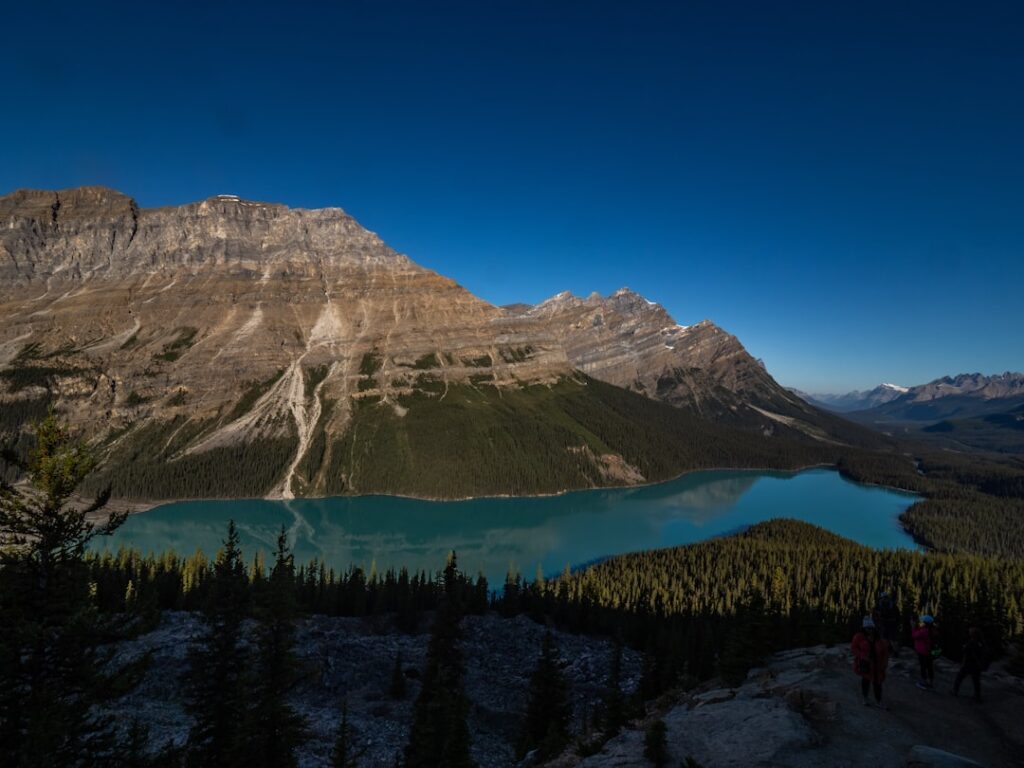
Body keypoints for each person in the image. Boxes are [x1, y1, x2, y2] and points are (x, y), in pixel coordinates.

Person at [852, 616, 890, 708]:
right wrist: (862, 655)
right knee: (866, 681)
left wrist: (884, 664)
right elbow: (854, 648)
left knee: (878, 683)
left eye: (871, 628)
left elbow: (885, 652)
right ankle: (865, 698)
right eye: (868, 628)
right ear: (864, 628)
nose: (870, 630)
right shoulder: (859, 637)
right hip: (866, 664)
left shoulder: (878, 638)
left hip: (877, 664)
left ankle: (878, 701)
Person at [953, 627, 986, 702]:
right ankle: (977, 696)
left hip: (968, 664)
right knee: (976, 681)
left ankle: (955, 691)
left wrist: (964, 647)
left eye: (970, 632)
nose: (969, 633)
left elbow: (965, 651)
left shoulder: (971, 642)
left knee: (959, 677)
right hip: (977, 665)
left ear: (972, 634)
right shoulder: (981, 642)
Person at [912, 614, 939, 690]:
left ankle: (923, 682)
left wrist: (914, 627)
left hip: (922, 651)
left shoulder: (924, 631)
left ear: (925, 623)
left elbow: (914, 636)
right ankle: (931, 682)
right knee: (930, 666)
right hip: (930, 651)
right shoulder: (933, 630)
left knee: (923, 667)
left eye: (922, 621)